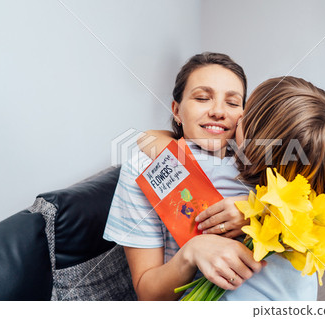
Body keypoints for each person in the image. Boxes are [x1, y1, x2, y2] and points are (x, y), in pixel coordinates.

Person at [103, 52, 265, 301]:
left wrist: (258, 213)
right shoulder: (145, 167)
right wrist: (191, 252)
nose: (219, 111)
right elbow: (149, 294)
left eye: (233, 103)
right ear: (176, 110)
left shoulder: (262, 159)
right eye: (202, 98)